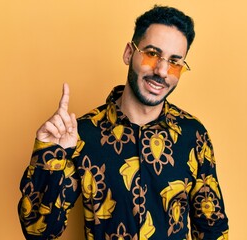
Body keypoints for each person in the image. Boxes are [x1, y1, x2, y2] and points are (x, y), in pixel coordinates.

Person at [18, 5, 229, 240]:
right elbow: (39, 231)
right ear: (129, 53)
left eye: (174, 62)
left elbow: (212, 228)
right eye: (151, 54)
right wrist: (50, 155)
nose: (161, 70)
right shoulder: (82, 134)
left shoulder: (194, 135)